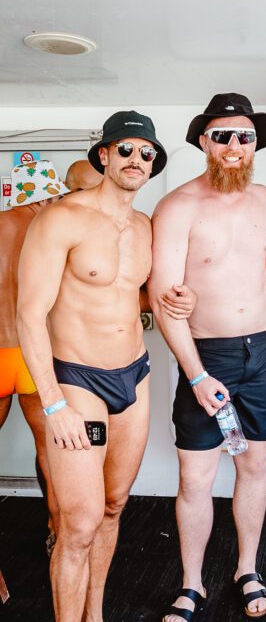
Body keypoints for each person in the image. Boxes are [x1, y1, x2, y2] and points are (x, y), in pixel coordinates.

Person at [17, 111, 190, 621]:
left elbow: (136, 295)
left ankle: (94, 614)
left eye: (147, 153)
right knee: (79, 523)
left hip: (133, 376)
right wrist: (53, 405)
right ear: (106, 154)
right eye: (127, 149)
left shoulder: (144, 227)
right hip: (77, 380)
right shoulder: (61, 218)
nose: (137, 159)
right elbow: (29, 315)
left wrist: (180, 296)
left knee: (114, 506)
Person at [149, 93, 266, 620]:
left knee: (254, 466)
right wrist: (197, 375)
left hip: (265, 352)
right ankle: (191, 584)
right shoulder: (177, 205)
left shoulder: (265, 198)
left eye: (244, 136)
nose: (233, 145)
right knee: (196, 479)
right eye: (222, 135)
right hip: (208, 358)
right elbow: (164, 302)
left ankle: (247, 568)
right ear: (204, 141)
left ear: (254, 146)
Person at [0, 160, 71, 551]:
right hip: (34, 353)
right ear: (45, 194)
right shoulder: (48, 229)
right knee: (51, 450)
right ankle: (58, 532)